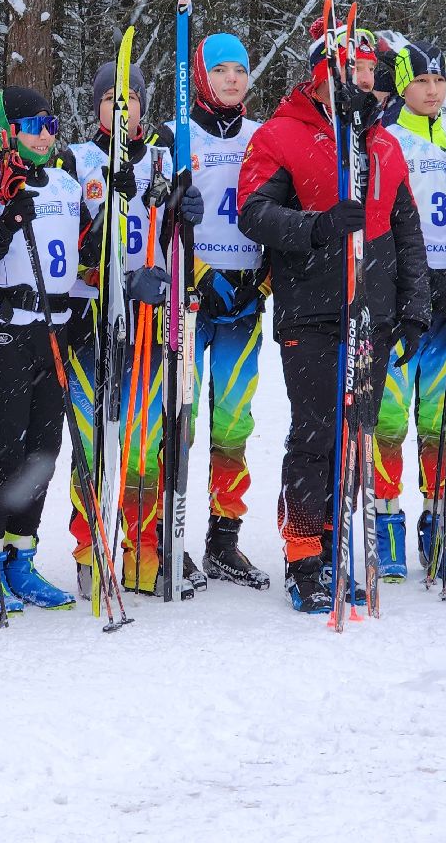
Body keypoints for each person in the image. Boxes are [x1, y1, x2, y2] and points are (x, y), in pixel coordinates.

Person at [237, 23, 430, 614]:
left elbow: (406, 229)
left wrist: (414, 302)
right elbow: (255, 214)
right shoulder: (282, 134)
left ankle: (334, 538)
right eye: (353, 68)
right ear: (322, 72)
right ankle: (304, 554)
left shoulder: (383, 142)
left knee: (354, 435)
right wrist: (316, 227)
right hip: (312, 307)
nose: (365, 79)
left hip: (371, 308)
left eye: (372, 69)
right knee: (316, 431)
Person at [60, 61, 205, 597]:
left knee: (146, 442)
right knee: (97, 441)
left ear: (145, 104)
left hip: (151, 320)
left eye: (131, 99)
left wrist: (184, 211)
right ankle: (90, 548)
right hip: (93, 322)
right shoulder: (78, 160)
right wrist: (107, 227)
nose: (121, 110)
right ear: (96, 105)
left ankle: (144, 550)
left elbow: (174, 239)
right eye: (109, 101)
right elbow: (69, 251)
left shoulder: (165, 158)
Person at [0, 87, 91, 612]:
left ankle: (21, 556)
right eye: (34, 123)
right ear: (6, 132)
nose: (46, 132)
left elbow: (85, 253)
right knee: (6, 449)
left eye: (52, 122)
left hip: (51, 331)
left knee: (43, 450)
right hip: (2, 329)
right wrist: (9, 216)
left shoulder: (65, 185)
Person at [371, 41, 446, 583]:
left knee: (438, 417)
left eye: (440, 82)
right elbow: (386, 228)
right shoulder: (388, 139)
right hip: (401, 298)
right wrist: (413, 288)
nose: (433, 90)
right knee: (391, 417)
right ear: (403, 85)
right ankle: (386, 522)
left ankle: (438, 524)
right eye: (422, 81)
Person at [182, 33, 274, 588]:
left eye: (240, 69)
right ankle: (167, 530)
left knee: (233, 421)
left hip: (245, 295)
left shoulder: (261, 136)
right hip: (190, 296)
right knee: (180, 418)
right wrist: (197, 273)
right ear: (201, 75)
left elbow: (278, 206)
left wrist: (260, 279)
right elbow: (161, 217)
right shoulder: (177, 132)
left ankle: (224, 537)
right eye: (220, 70)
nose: (233, 79)